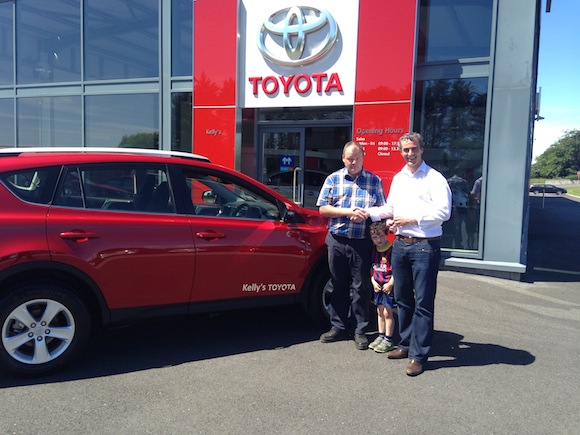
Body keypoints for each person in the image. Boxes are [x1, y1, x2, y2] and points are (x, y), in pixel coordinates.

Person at [362, 132, 451, 375]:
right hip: (400, 245)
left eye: (413, 149)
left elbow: (444, 212)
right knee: (402, 299)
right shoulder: (400, 178)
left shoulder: (434, 178)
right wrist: (368, 213)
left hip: (424, 246)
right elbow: (391, 208)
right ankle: (405, 343)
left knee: (423, 302)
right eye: (405, 150)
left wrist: (413, 218)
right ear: (400, 152)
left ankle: (418, 356)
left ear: (422, 150)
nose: (409, 154)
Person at [317, 141, 386, 350]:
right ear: (343, 158)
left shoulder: (374, 181)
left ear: (363, 158)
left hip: (362, 243)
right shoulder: (333, 178)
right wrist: (348, 212)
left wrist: (368, 215)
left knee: (361, 287)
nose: (353, 162)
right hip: (337, 240)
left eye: (356, 158)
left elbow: (383, 211)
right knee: (338, 284)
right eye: (349, 158)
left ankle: (359, 330)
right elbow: (322, 209)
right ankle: (338, 326)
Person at [368, 220, 396, 354]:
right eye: (375, 237)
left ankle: (388, 339)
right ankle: (381, 335)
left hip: (388, 286)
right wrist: (373, 281)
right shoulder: (374, 250)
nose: (378, 240)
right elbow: (372, 268)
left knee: (387, 312)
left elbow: (397, 270)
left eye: (381, 236)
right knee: (379, 311)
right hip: (377, 286)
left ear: (386, 234)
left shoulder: (392, 250)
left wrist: (391, 283)